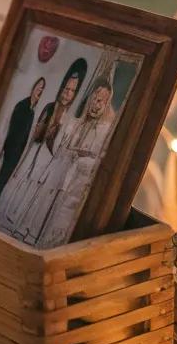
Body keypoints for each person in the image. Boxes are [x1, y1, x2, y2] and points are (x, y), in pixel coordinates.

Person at [1, 58, 88, 238]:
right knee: (21, 191)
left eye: (72, 91)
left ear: (75, 94)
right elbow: (35, 138)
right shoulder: (49, 107)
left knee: (36, 199)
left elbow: (62, 147)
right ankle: (8, 222)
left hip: (50, 166)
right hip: (35, 160)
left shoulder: (71, 120)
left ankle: (22, 228)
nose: (67, 94)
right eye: (66, 89)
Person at [32, 77, 118, 248]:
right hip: (58, 179)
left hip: (76, 191)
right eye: (94, 98)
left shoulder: (105, 131)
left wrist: (80, 156)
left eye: (101, 101)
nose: (96, 104)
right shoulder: (73, 122)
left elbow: (98, 162)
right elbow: (57, 148)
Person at [0, 76, 45, 205]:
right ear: (33, 88)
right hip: (11, 148)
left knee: (6, 178)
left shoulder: (32, 110)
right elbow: (11, 128)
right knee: (2, 176)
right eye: (38, 87)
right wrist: (3, 148)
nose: (40, 91)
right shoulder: (22, 105)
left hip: (19, 150)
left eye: (42, 89)